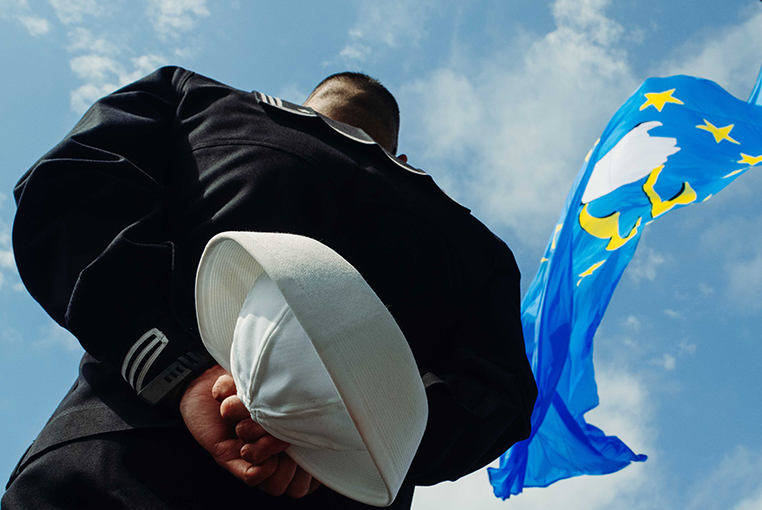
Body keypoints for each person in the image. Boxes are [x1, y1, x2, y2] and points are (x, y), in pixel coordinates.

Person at [2, 67, 537, 509]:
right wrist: (180, 372)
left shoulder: (479, 247)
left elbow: (498, 394)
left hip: (141, 463)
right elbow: (73, 191)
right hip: (129, 472)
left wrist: (182, 373)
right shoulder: (191, 97)